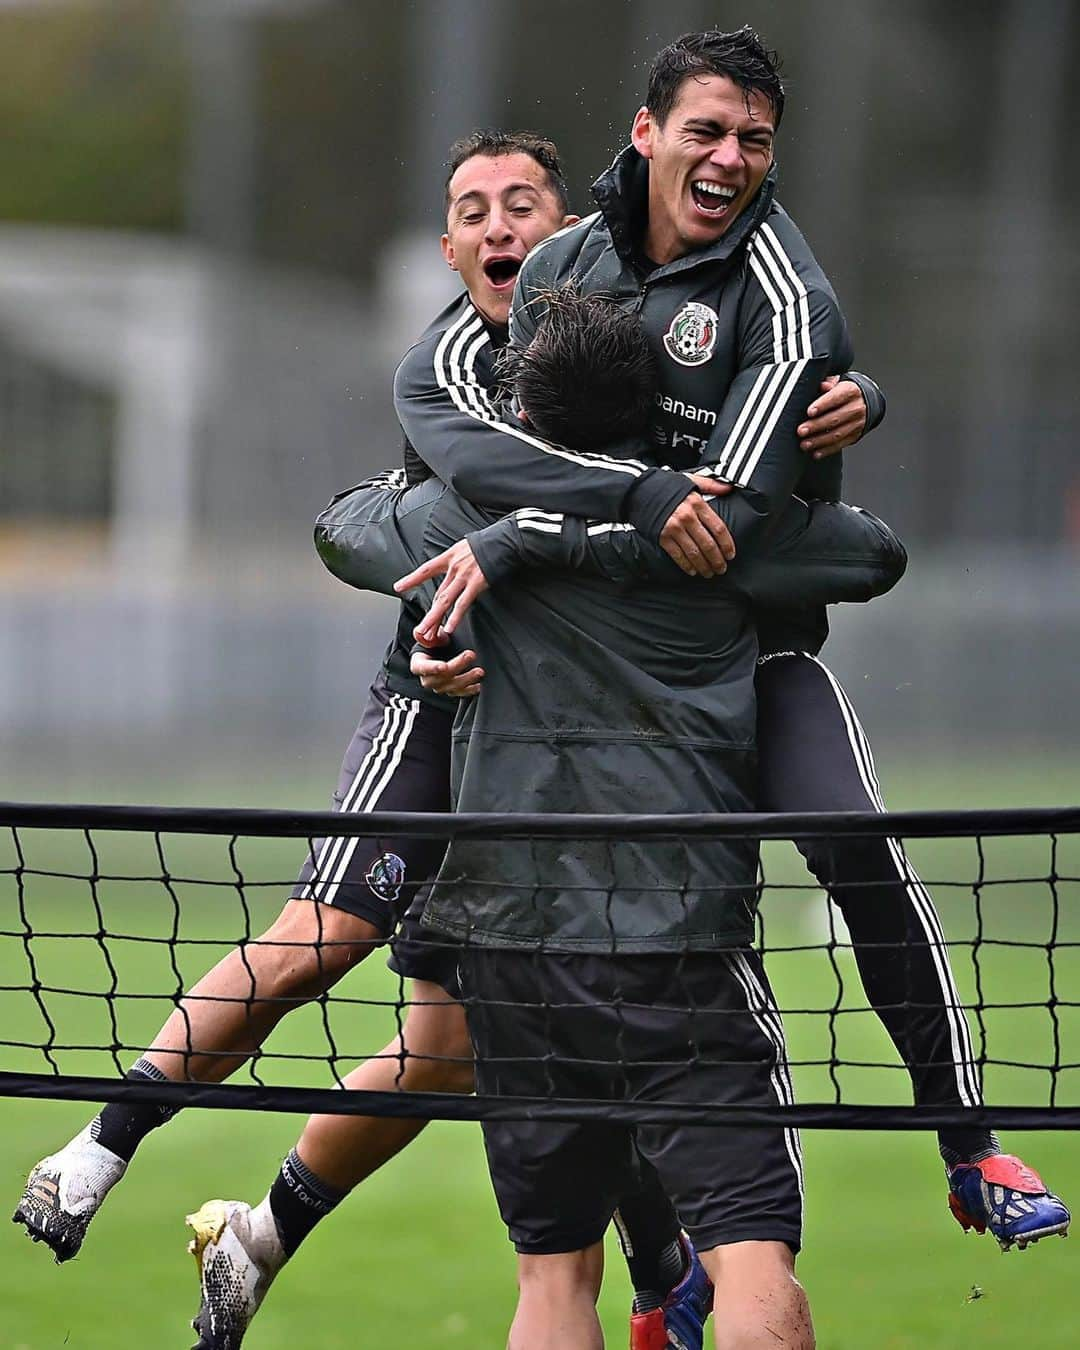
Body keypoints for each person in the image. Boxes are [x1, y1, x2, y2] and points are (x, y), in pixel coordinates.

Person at [13, 129, 870, 1350]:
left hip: (573, 737)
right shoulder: (456, 361)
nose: (499, 225)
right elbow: (375, 517)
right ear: (450, 245)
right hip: (443, 691)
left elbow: (789, 481)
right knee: (326, 942)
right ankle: (97, 1149)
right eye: (473, 208)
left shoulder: (624, 340)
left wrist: (853, 402)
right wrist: (432, 606)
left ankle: (266, 1242)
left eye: (524, 203)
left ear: (569, 230)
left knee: (461, 1040)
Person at [396, 28, 1069, 1277]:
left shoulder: (784, 292)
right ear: (645, 133)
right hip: (597, 685)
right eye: (706, 129)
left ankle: (970, 1141)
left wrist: (547, 525)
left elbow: (736, 515)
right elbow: (456, 422)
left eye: (755, 139)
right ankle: (676, 1276)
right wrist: (567, 516)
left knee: (854, 847)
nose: (730, 157)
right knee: (610, 958)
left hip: (750, 659)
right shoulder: (560, 263)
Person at [306, 284, 906, 1350]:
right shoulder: (721, 533)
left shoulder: (462, 518)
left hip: (513, 953)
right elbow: (871, 553)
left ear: (522, 419)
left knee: (553, 1282)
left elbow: (345, 529)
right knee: (750, 1260)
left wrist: (522, 514)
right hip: (678, 948)